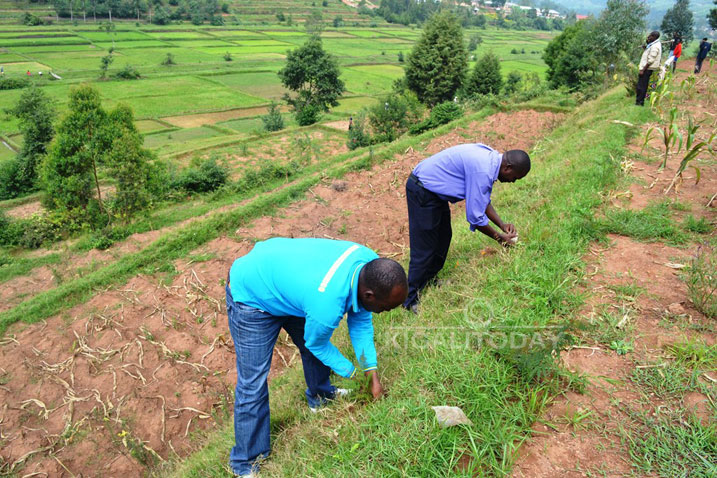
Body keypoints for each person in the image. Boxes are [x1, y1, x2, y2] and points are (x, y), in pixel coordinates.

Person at [225, 238, 408, 477]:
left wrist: (371, 375)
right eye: (385, 308)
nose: (385, 312)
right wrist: (353, 373)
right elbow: (317, 344)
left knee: (311, 338)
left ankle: (320, 396)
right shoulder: (327, 304)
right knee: (253, 382)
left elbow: (361, 323)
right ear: (369, 295)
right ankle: (245, 463)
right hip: (253, 295)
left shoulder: (371, 265)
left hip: (295, 286)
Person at [403, 144, 530, 312]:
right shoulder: (483, 170)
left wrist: (501, 224)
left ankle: (428, 280)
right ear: (508, 168)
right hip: (422, 189)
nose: (513, 181)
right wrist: (500, 238)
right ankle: (409, 299)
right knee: (425, 247)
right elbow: (475, 218)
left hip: (434, 191)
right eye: (516, 177)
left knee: (443, 237)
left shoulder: (492, 160)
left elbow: (481, 198)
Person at [636, 31, 662, 106]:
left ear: (654, 37)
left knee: (641, 86)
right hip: (647, 68)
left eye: (650, 36)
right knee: (642, 85)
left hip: (647, 69)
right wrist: (646, 47)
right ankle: (639, 101)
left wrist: (643, 70)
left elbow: (650, 60)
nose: (648, 38)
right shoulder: (653, 44)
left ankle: (640, 102)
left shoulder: (655, 46)